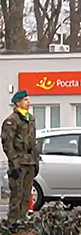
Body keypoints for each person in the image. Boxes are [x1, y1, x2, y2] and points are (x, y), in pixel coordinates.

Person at [2, 90, 38, 222]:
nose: (28, 102)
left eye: (28, 100)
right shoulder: (12, 121)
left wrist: (36, 161)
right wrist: (14, 162)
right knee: (17, 195)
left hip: (29, 161)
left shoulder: (31, 119)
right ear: (18, 103)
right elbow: (7, 144)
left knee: (26, 195)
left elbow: (33, 142)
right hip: (18, 162)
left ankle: (22, 222)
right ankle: (12, 223)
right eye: (25, 100)